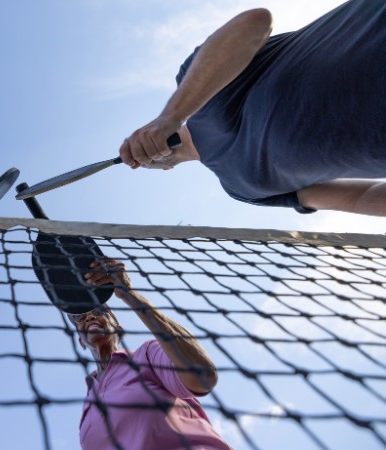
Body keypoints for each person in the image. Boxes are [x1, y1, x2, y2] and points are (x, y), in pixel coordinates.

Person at [118, 0, 386, 217]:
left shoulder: (195, 82)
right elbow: (358, 196)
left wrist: (170, 116)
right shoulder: (241, 190)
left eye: (135, 145)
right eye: (137, 162)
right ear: (166, 170)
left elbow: (255, 22)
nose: (140, 155)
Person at [73, 258, 230, 450]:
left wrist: (129, 294)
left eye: (99, 311)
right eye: (79, 317)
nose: (89, 316)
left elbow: (202, 377)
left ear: (118, 327)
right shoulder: (87, 406)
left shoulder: (147, 355)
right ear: (80, 341)